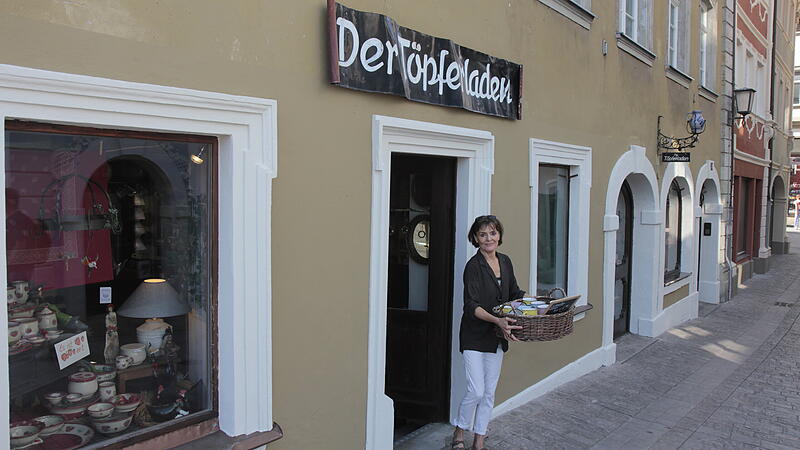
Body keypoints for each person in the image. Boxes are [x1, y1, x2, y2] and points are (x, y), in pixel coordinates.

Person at [452, 215, 524, 450]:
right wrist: (498, 320)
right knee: (476, 390)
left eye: (492, 233)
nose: (488, 238)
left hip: (496, 336)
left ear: (499, 235)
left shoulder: (506, 261)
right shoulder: (473, 267)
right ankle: (460, 427)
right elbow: (471, 305)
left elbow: (514, 293)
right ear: (475, 238)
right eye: (483, 234)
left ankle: (479, 439)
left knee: (489, 392)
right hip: (474, 334)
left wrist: (533, 304)